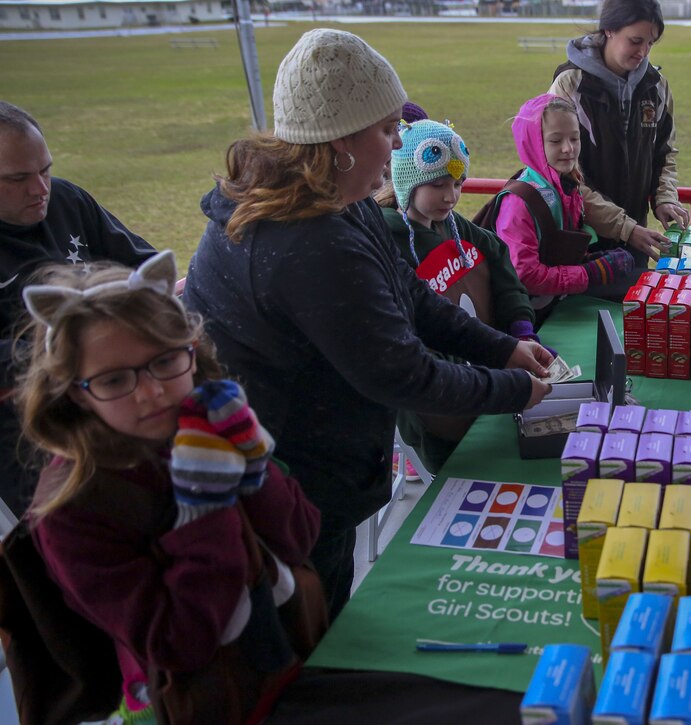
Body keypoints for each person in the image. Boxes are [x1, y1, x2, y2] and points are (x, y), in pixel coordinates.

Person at [183, 29, 553, 619]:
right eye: (386, 130)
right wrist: (516, 389)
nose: (398, 143)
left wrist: (503, 349)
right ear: (339, 141)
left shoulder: (330, 194)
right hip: (291, 487)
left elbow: (407, 295)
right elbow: (401, 374)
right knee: (307, 635)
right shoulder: (309, 240)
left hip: (312, 471)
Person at [14, 251, 322, 722]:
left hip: (286, 656)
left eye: (165, 361)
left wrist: (255, 468)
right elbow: (180, 641)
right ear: (76, 391)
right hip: (197, 702)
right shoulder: (72, 511)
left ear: (191, 352)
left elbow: (299, 538)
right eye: (115, 379)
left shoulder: (204, 425)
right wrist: (205, 506)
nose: (151, 392)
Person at [0, 101, 156, 518]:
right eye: (17, 179)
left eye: (45, 170)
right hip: (32, 427)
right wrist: (78, 348)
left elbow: (145, 266)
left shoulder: (68, 200)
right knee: (78, 534)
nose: (40, 189)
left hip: (124, 395)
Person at [376, 118, 537, 473]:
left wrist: (520, 323)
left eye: (458, 183)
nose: (451, 196)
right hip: (439, 413)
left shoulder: (453, 225)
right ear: (406, 183)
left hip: (487, 382)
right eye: (437, 185)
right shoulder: (388, 246)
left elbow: (498, 259)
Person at [549, 0, 689, 275]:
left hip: (637, 238)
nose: (643, 52)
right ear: (609, 30)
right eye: (636, 41)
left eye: (651, 43)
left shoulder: (656, 86)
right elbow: (560, 173)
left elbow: (664, 152)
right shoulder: (569, 85)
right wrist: (624, 227)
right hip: (581, 239)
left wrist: (665, 198)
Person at [493, 94, 634, 318]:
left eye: (574, 139)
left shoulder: (567, 184)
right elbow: (524, 275)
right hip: (529, 317)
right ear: (533, 143)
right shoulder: (519, 202)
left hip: (557, 301)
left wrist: (593, 261)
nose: (568, 148)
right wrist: (589, 274)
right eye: (556, 141)